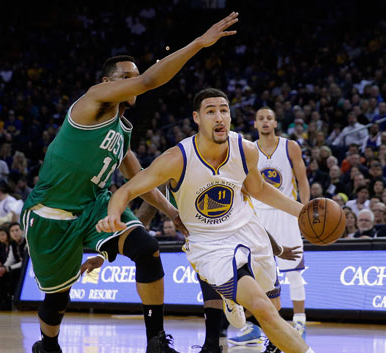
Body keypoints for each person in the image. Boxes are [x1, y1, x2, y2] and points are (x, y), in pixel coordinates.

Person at [22, 14, 240, 353]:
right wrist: (198, 43)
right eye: (126, 78)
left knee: (147, 250)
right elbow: (151, 80)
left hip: (94, 208)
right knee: (57, 297)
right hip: (51, 213)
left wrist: (172, 212)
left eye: (134, 77)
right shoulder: (93, 100)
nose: (133, 82)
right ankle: (48, 344)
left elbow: (140, 182)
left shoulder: (122, 131)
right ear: (109, 82)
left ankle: (155, 341)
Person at [97, 88, 313, 353]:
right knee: (263, 308)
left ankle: (234, 300)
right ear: (197, 118)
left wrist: (300, 211)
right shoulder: (176, 159)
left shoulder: (245, 150)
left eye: (224, 110)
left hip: (249, 231)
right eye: (211, 111)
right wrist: (113, 214)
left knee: (274, 308)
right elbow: (127, 189)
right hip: (210, 245)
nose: (219, 117)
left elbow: (258, 189)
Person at [229, 106, 310, 346]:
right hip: (257, 216)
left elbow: (303, 181)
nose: (265, 122)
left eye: (269, 118)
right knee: (255, 275)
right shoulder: (249, 150)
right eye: (261, 119)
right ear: (255, 124)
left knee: (294, 270)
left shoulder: (290, 147)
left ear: (275, 123)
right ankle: (254, 328)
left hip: (286, 213)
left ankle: (299, 323)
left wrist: (304, 212)